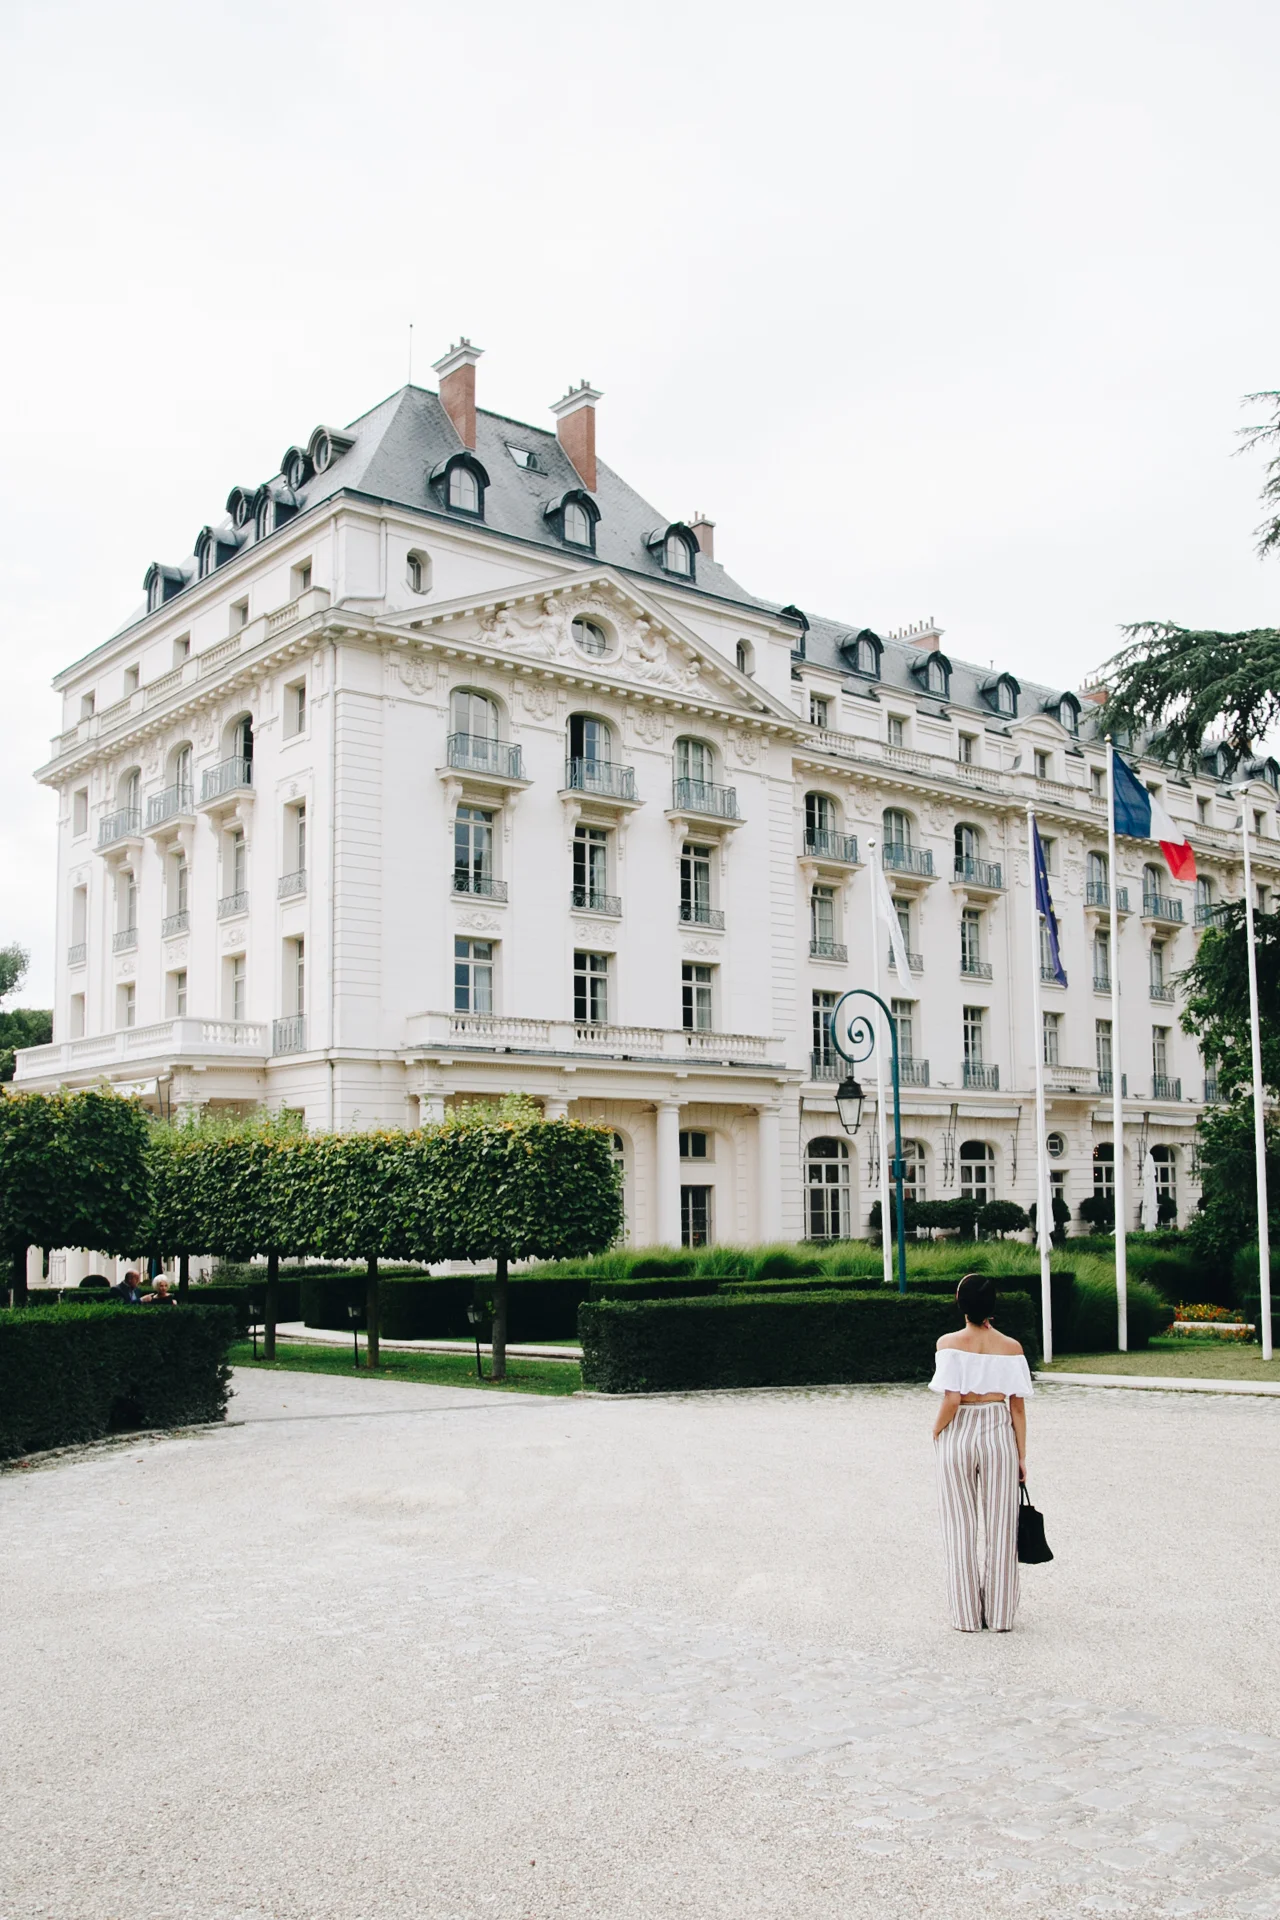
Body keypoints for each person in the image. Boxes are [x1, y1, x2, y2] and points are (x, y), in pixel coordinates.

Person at [929, 1272, 1033, 1633]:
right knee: (1002, 1525)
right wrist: (1021, 1456)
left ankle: (966, 1617)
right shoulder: (1012, 1348)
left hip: (959, 1431)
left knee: (959, 1524)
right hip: (997, 1429)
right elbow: (1017, 1408)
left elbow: (952, 1399)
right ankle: (1002, 1616)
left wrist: (936, 1430)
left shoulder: (948, 1343)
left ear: (960, 1304)